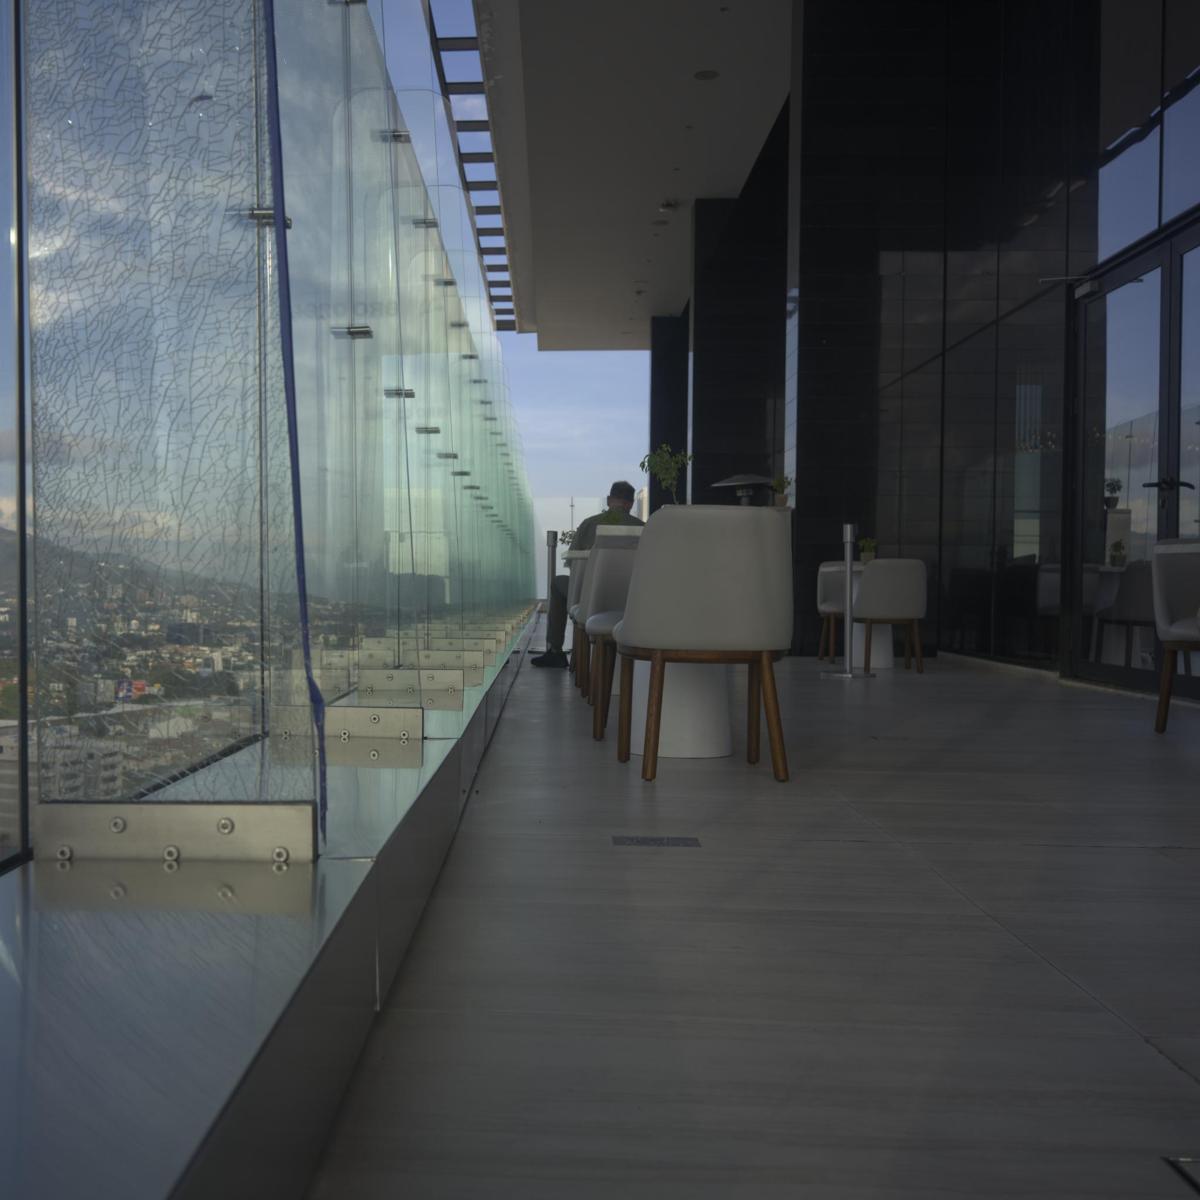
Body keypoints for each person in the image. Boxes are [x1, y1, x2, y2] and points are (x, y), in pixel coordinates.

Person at [531, 481, 644, 667]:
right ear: (630, 504)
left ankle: (555, 651)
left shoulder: (589, 524)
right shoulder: (643, 528)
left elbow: (572, 564)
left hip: (590, 596)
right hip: (630, 598)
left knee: (558, 582)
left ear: (609, 500)